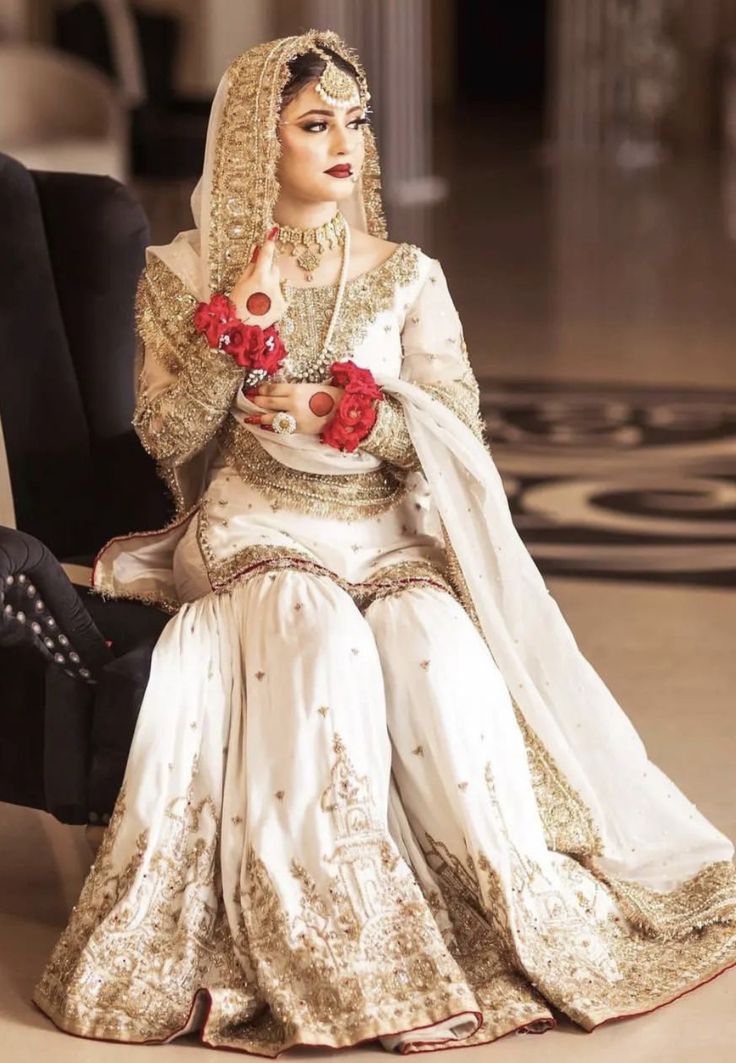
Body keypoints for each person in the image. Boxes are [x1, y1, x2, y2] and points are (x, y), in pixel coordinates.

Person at [32, 29, 736, 1057]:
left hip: (385, 530)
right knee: (313, 639)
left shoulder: (408, 274)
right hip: (255, 530)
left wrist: (361, 419)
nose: (344, 143)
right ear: (251, 147)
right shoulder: (185, 273)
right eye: (314, 125)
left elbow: (455, 432)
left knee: (434, 656)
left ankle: (484, 917)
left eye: (354, 121)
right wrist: (235, 334)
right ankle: (339, 942)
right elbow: (168, 439)